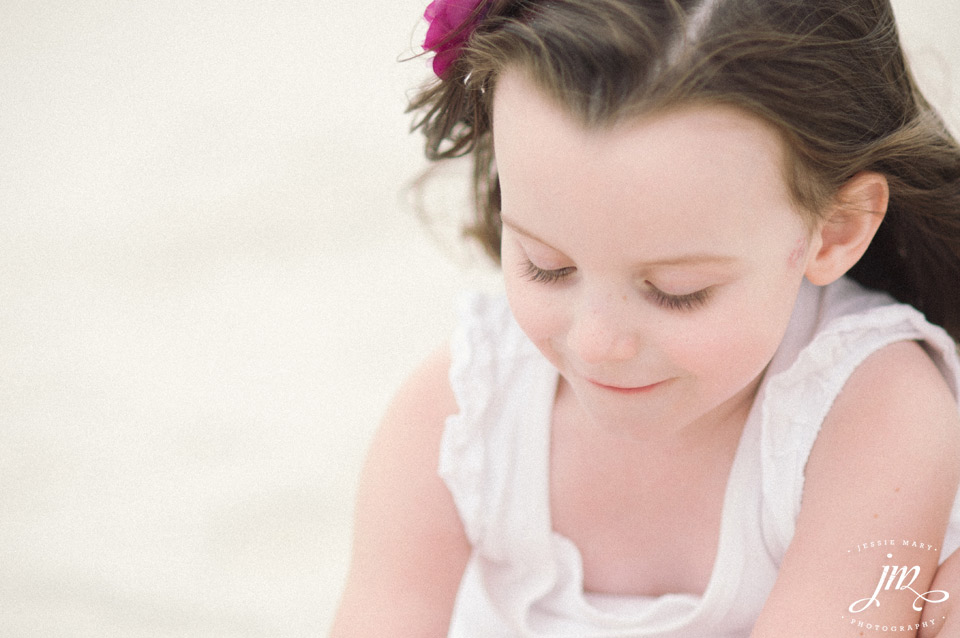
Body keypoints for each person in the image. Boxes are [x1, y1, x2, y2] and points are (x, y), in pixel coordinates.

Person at [331, 1, 960, 635]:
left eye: (677, 290)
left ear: (835, 230)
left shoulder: (875, 413)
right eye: (547, 266)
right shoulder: (465, 414)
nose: (598, 342)